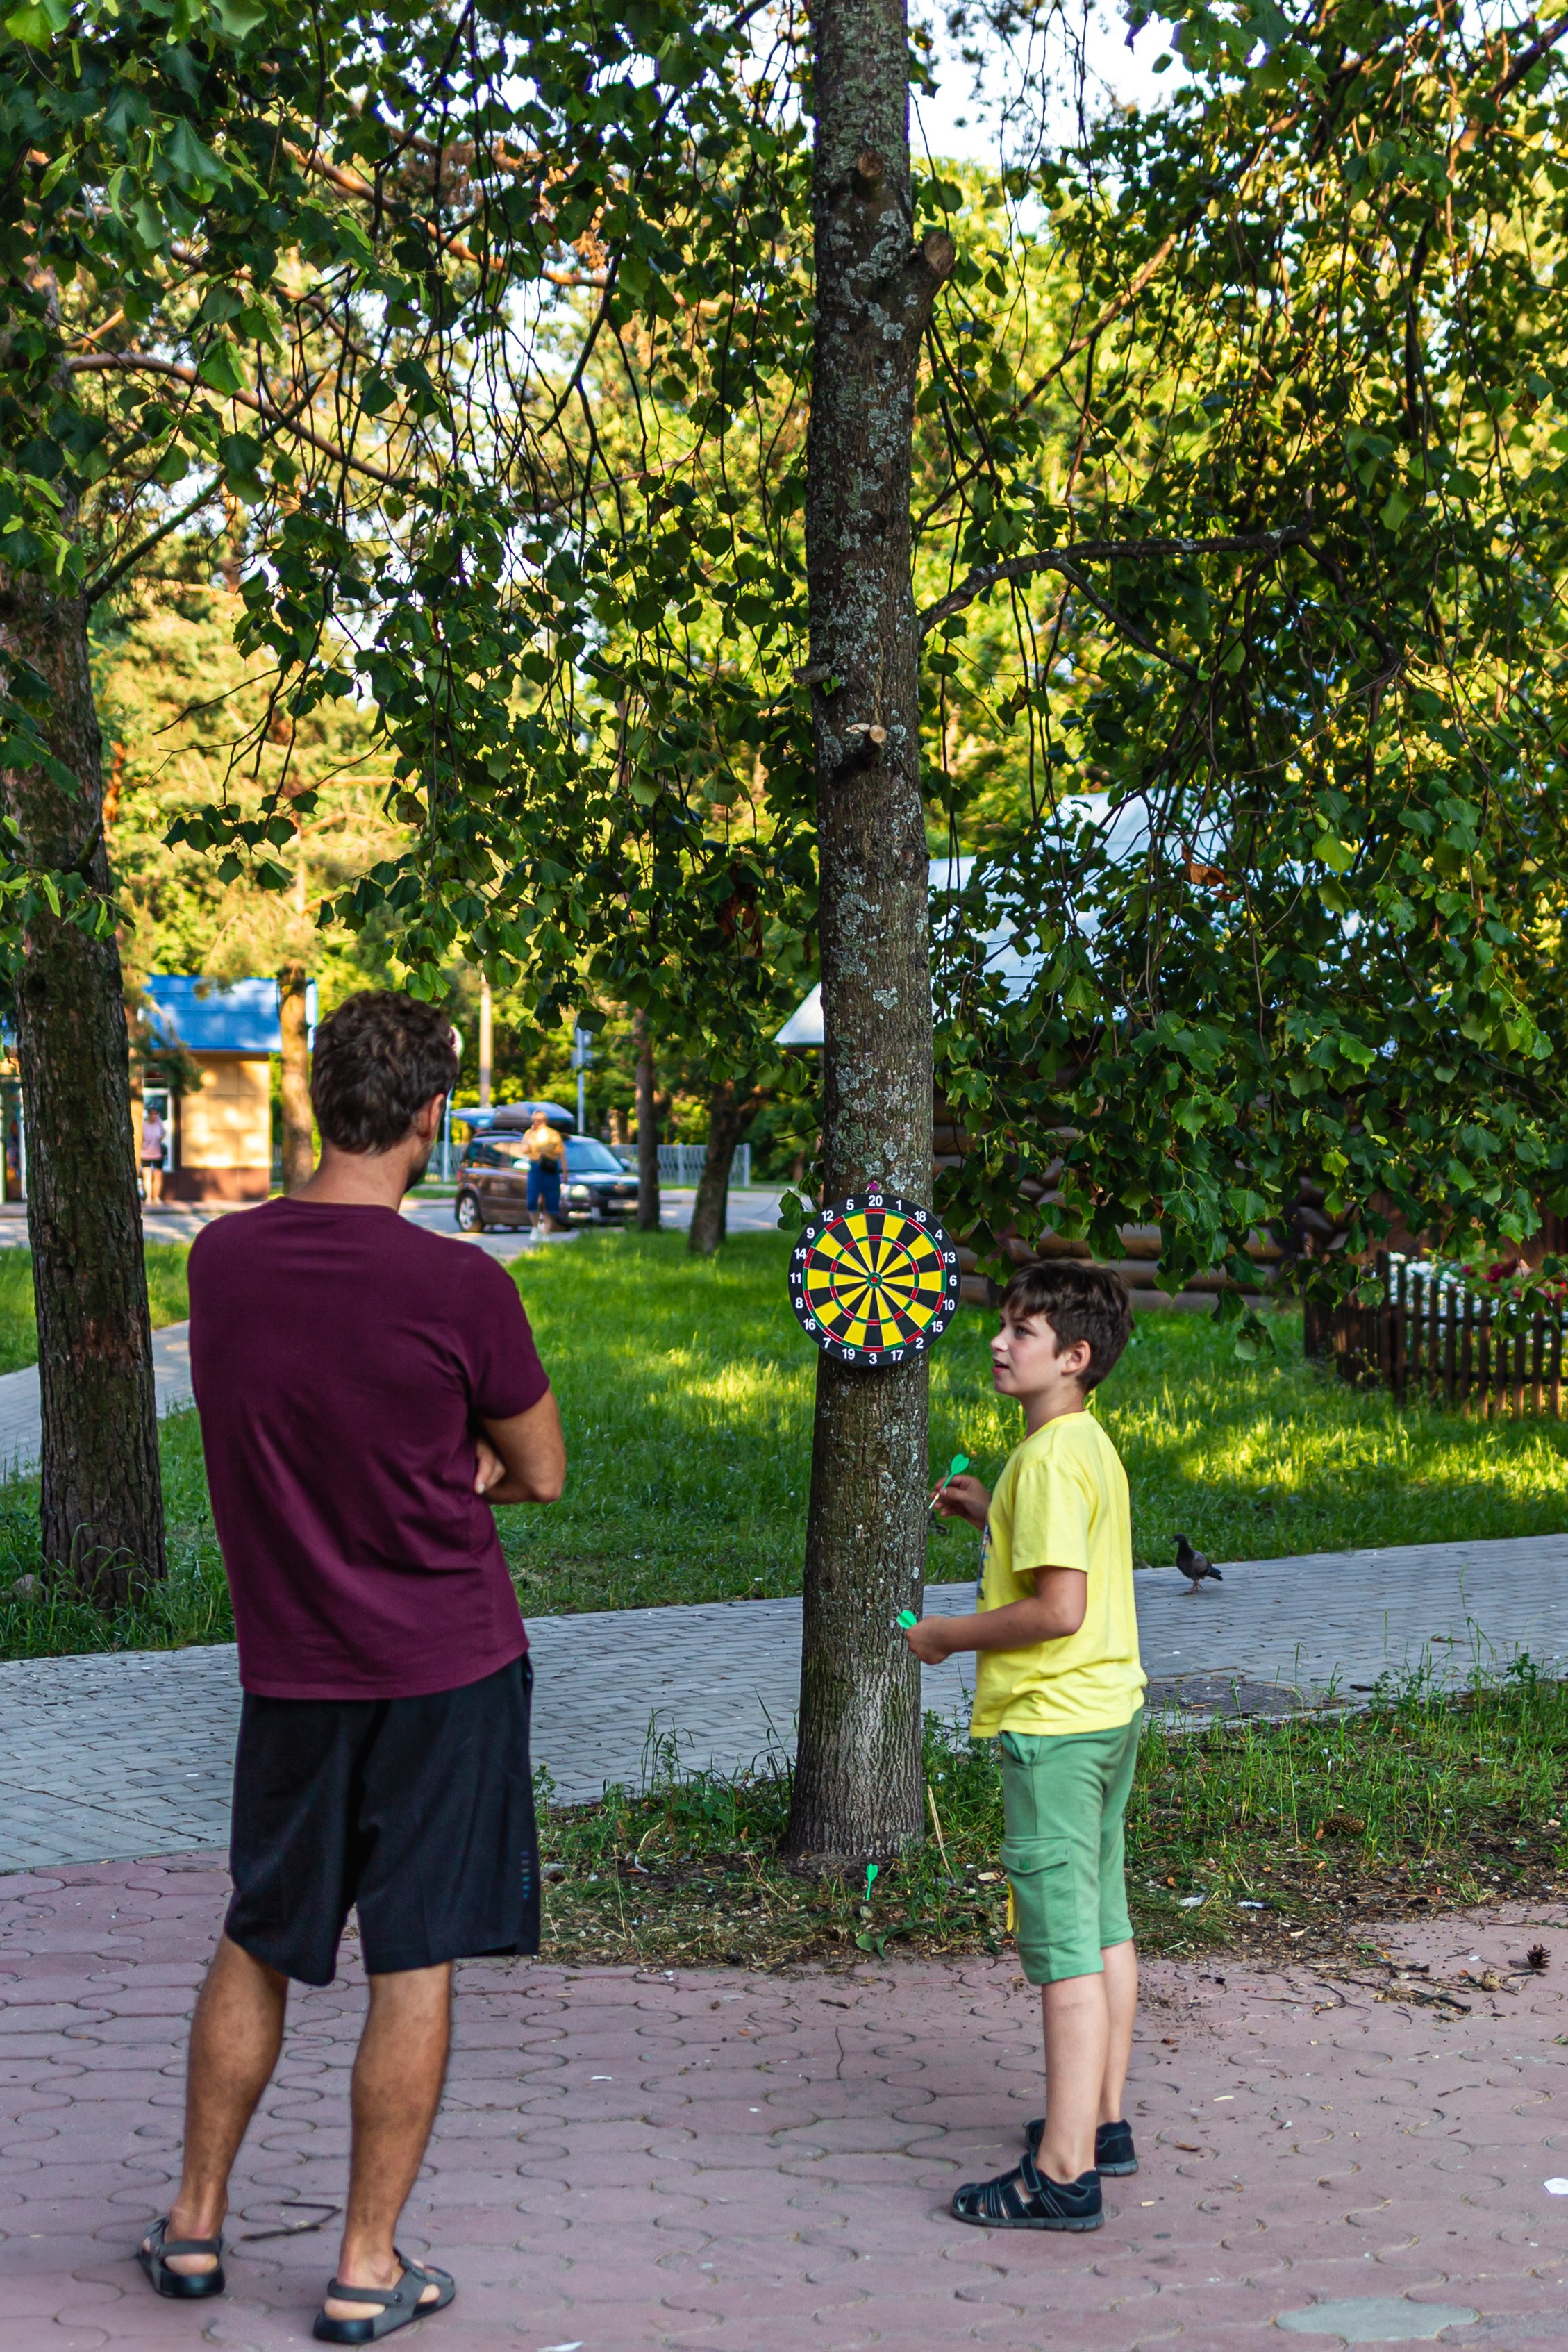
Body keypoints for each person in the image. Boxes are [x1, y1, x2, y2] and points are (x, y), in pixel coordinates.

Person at [139, 990, 566, 2342]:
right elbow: (542, 1470)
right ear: (432, 1120)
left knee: (260, 1934)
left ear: (319, 1104)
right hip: (445, 1664)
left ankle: (196, 2227)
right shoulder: (460, 1285)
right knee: (414, 1956)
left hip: (293, 1668)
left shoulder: (224, 1263)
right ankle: (363, 2264)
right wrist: (459, 1467)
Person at [902, 1260, 1143, 2234]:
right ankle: (1103, 2120)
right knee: (1105, 1919)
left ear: (1073, 1356)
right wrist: (988, 1512)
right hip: (1109, 1712)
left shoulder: (1041, 1458)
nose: (999, 1343)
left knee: (1061, 1949)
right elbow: (1061, 1546)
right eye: (1001, 1326)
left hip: (1052, 1727)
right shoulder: (1081, 1444)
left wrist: (946, 1634)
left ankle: (1060, 2172)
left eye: (1022, 1332)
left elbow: (1055, 1606)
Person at [519, 1103, 566, 1232]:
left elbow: (561, 1154)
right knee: (533, 1199)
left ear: (545, 1121)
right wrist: (531, 1135)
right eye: (535, 1121)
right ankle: (535, 1229)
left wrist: (565, 1173)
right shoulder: (529, 1134)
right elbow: (523, 1150)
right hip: (535, 1167)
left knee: (550, 1201)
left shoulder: (554, 1134)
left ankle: (547, 1233)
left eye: (539, 1121)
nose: (537, 1123)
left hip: (550, 1168)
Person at [140, 1103, 166, 1206]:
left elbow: (163, 1135)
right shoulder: (143, 1124)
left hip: (158, 1152)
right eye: (152, 1114)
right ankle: (149, 1198)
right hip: (145, 1153)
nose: (154, 1116)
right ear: (148, 1115)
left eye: (156, 1114)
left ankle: (157, 1197)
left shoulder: (159, 1123)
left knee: (158, 1175)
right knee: (147, 1175)